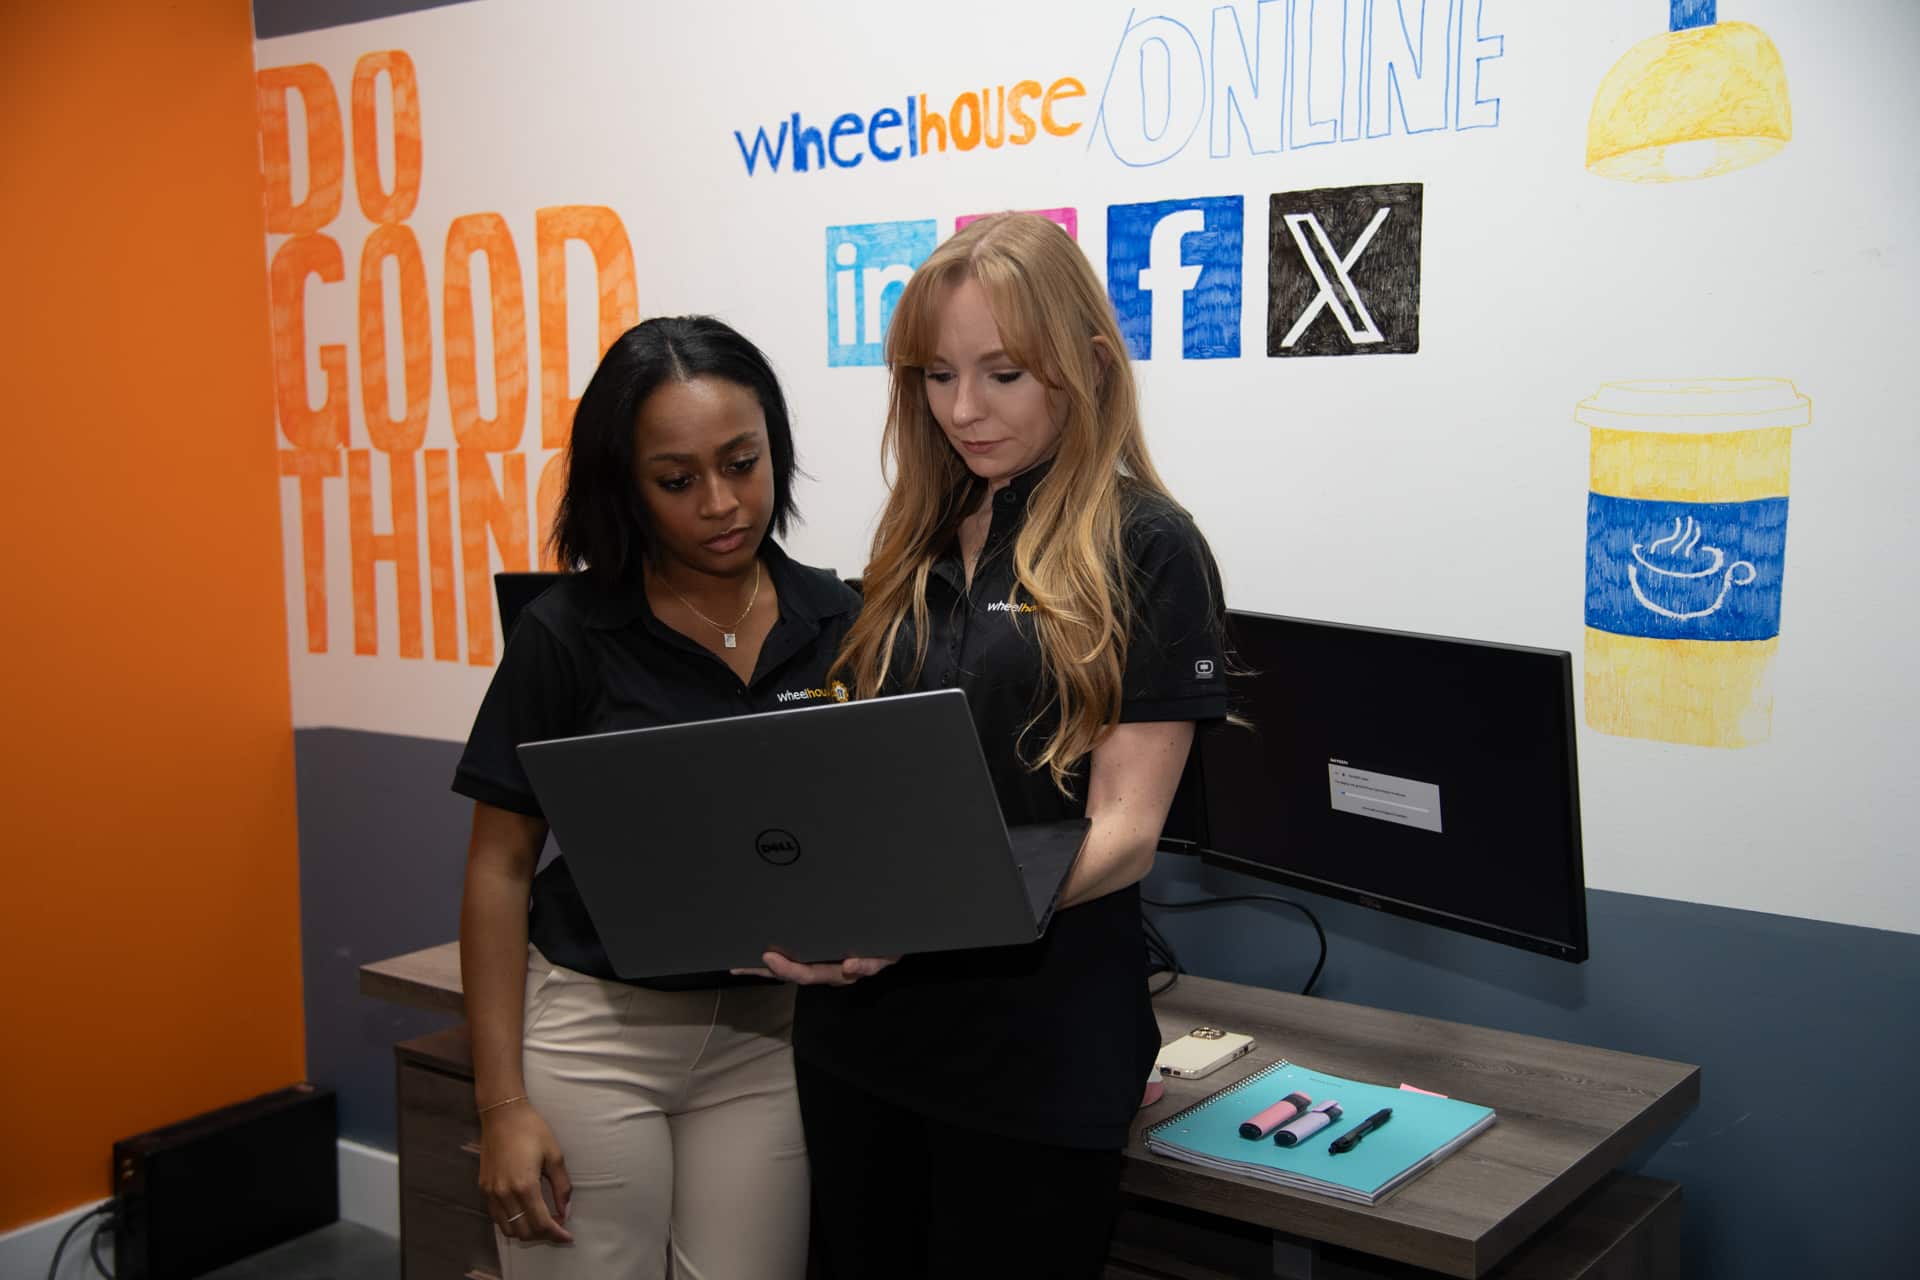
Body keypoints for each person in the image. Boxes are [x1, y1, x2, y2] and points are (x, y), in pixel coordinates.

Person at [775, 212, 1231, 1277]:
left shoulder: (1148, 546)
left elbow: (1124, 832)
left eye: (1003, 373)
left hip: (1032, 1051)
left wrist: (924, 918)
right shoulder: (914, 535)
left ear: (1087, 368)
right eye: (937, 375)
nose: (963, 409)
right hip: (859, 1035)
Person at [452, 315, 870, 1278]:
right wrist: (502, 1104)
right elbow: (499, 864)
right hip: (598, 1033)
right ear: (625, 489)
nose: (722, 505)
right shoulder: (566, 635)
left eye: (743, 463)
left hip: (769, 1043)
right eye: (677, 481)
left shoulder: (842, 619)